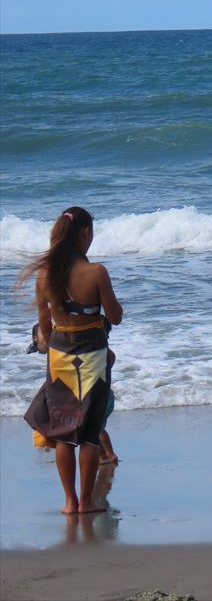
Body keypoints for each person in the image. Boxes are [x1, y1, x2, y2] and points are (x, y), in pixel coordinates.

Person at [18, 207, 123, 514]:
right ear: (85, 233)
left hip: (59, 354)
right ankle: (86, 503)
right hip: (92, 353)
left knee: (64, 432)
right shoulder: (96, 272)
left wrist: (60, 348)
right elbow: (114, 317)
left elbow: (44, 327)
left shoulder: (44, 273)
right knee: (89, 433)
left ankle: (69, 502)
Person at [28, 322, 119, 465]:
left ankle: (109, 455)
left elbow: (110, 358)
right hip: (97, 395)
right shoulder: (85, 349)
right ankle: (104, 456)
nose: (49, 334)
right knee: (93, 430)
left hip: (99, 397)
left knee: (94, 431)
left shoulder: (75, 350)